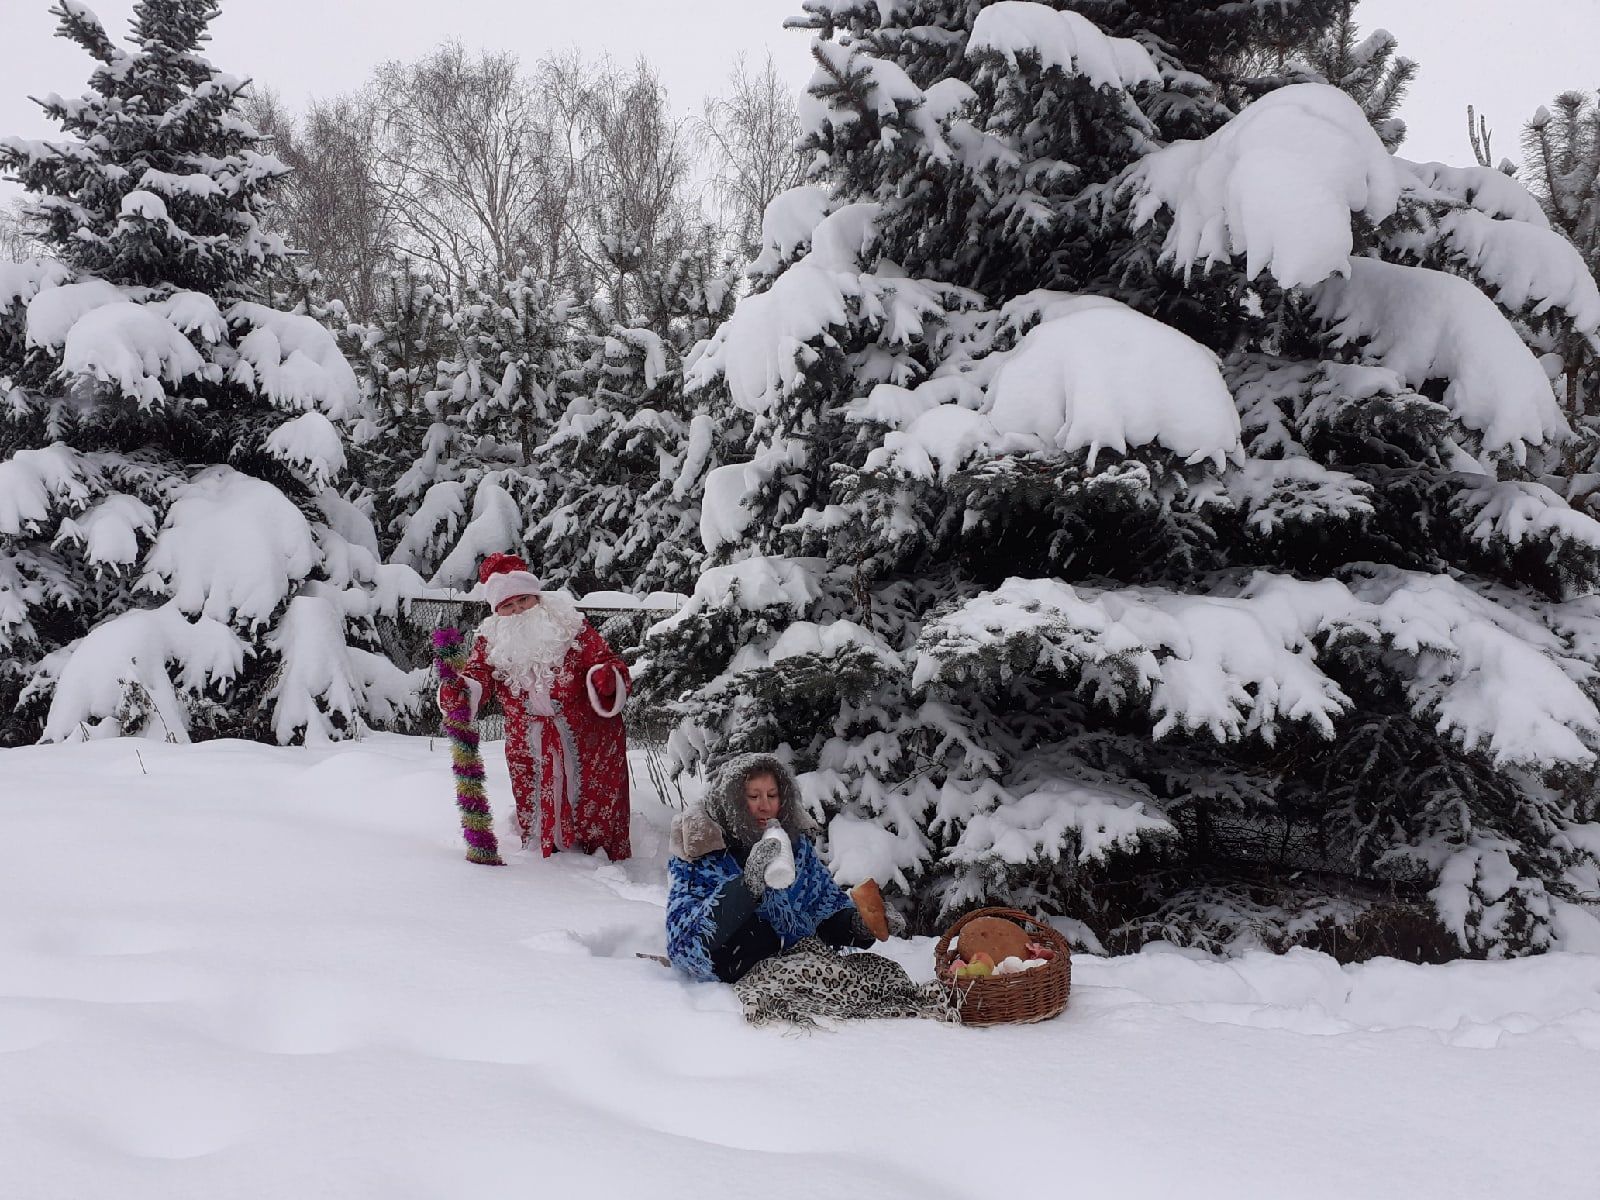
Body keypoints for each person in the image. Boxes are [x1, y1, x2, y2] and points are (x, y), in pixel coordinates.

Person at [438, 552, 631, 861]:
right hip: (527, 739)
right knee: (537, 799)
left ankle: (598, 858)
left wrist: (605, 678)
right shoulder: (491, 640)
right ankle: (545, 853)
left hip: (588, 737)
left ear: (537, 597)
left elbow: (604, 661)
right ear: (497, 611)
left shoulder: (570, 628)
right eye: (508, 606)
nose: (518, 611)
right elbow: (478, 675)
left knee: (593, 801)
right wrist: (464, 691)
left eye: (524, 600)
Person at [666, 753, 883, 982]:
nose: (765, 806)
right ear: (733, 800)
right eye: (753, 796)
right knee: (759, 933)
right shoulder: (701, 851)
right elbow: (684, 941)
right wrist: (747, 887)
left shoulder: (797, 848)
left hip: (799, 972)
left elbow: (822, 911)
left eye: (772, 795)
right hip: (732, 971)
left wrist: (858, 926)